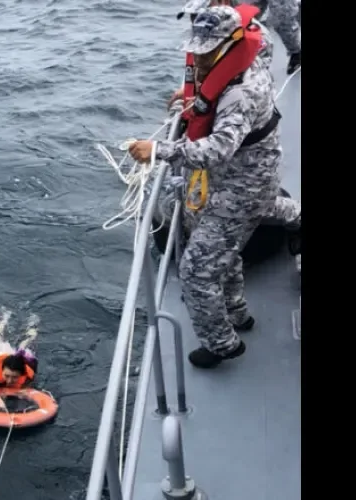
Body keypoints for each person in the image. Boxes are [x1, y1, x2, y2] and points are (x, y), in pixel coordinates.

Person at [128, 5, 282, 369]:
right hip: (235, 179)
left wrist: (159, 150)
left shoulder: (241, 92)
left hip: (242, 187)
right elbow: (217, 106)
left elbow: (218, 148)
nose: (199, 58)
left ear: (231, 45)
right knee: (224, 253)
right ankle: (237, 312)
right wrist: (192, 103)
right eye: (197, 49)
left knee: (196, 271)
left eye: (208, 51)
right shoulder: (239, 69)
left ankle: (222, 344)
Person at [0, 308, 39, 408]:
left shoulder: (28, 373)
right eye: (6, 376)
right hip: (2, 353)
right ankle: (3, 321)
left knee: (28, 342)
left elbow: (28, 383)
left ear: (21, 374)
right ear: (2, 370)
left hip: (23, 359)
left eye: (14, 377)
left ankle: (32, 325)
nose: (9, 381)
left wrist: (25, 389)